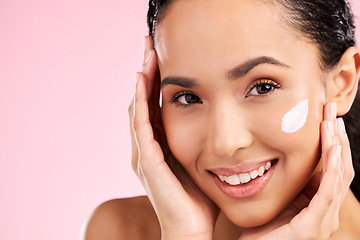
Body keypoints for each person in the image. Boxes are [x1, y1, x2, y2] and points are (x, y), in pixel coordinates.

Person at [83, 0, 360, 239]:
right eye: (188, 98)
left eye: (262, 87)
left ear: (342, 83)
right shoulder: (122, 231)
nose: (224, 143)